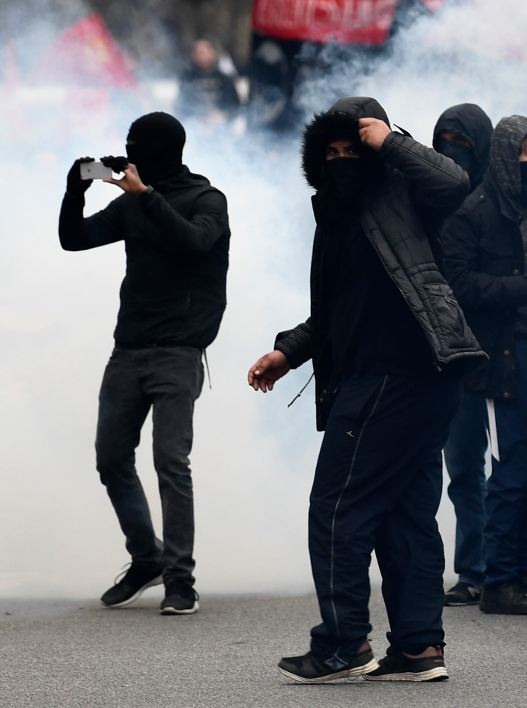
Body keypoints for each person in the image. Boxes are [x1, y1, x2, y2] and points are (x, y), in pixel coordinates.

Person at [248, 97, 481, 683]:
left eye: (353, 148)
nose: (341, 160)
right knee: (406, 517)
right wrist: (289, 351)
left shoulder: (405, 194)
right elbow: (334, 313)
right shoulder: (335, 217)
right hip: (408, 382)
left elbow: (456, 181)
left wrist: (390, 140)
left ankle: (342, 644)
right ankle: (418, 649)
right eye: (330, 152)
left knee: (336, 509)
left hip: (396, 376)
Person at [59, 112, 231, 615]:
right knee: (111, 459)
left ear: (163, 150)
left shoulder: (206, 199)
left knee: (170, 463)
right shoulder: (133, 201)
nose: (130, 152)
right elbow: (74, 238)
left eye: (138, 145)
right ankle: (146, 558)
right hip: (129, 348)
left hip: (179, 349)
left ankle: (180, 580)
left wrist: (145, 196)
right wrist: (75, 192)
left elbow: (195, 242)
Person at [443, 115, 527, 615]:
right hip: (494, 357)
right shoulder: (471, 211)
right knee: (500, 468)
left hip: (514, 352)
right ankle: (493, 578)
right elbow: (458, 284)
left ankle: (511, 572)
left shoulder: (518, 208)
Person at [432, 103, 495, 607]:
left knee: (507, 467)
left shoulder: (500, 203)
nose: (452, 151)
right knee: (464, 469)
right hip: (454, 354)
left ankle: (502, 564)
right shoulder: (430, 197)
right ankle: (474, 569)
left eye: (463, 143)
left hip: (500, 350)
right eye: (444, 142)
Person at [175, 39, 241, 125]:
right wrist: (196, 119)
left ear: (212, 53)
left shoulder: (224, 79)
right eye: (196, 53)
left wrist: (224, 115)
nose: (200, 56)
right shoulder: (187, 79)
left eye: (203, 52)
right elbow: (181, 107)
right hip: (195, 125)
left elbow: (235, 105)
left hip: (220, 125)